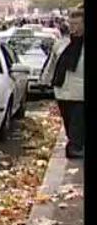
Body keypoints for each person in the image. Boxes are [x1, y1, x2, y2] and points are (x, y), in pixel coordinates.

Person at [41, 9, 84, 159]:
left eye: (77, 24)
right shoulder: (61, 44)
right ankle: (75, 144)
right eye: (71, 24)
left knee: (77, 124)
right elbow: (52, 65)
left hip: (80, 94)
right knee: (69, 122)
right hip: (62, 91)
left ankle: (74, 148)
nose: (73, 27)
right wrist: (45, 81)